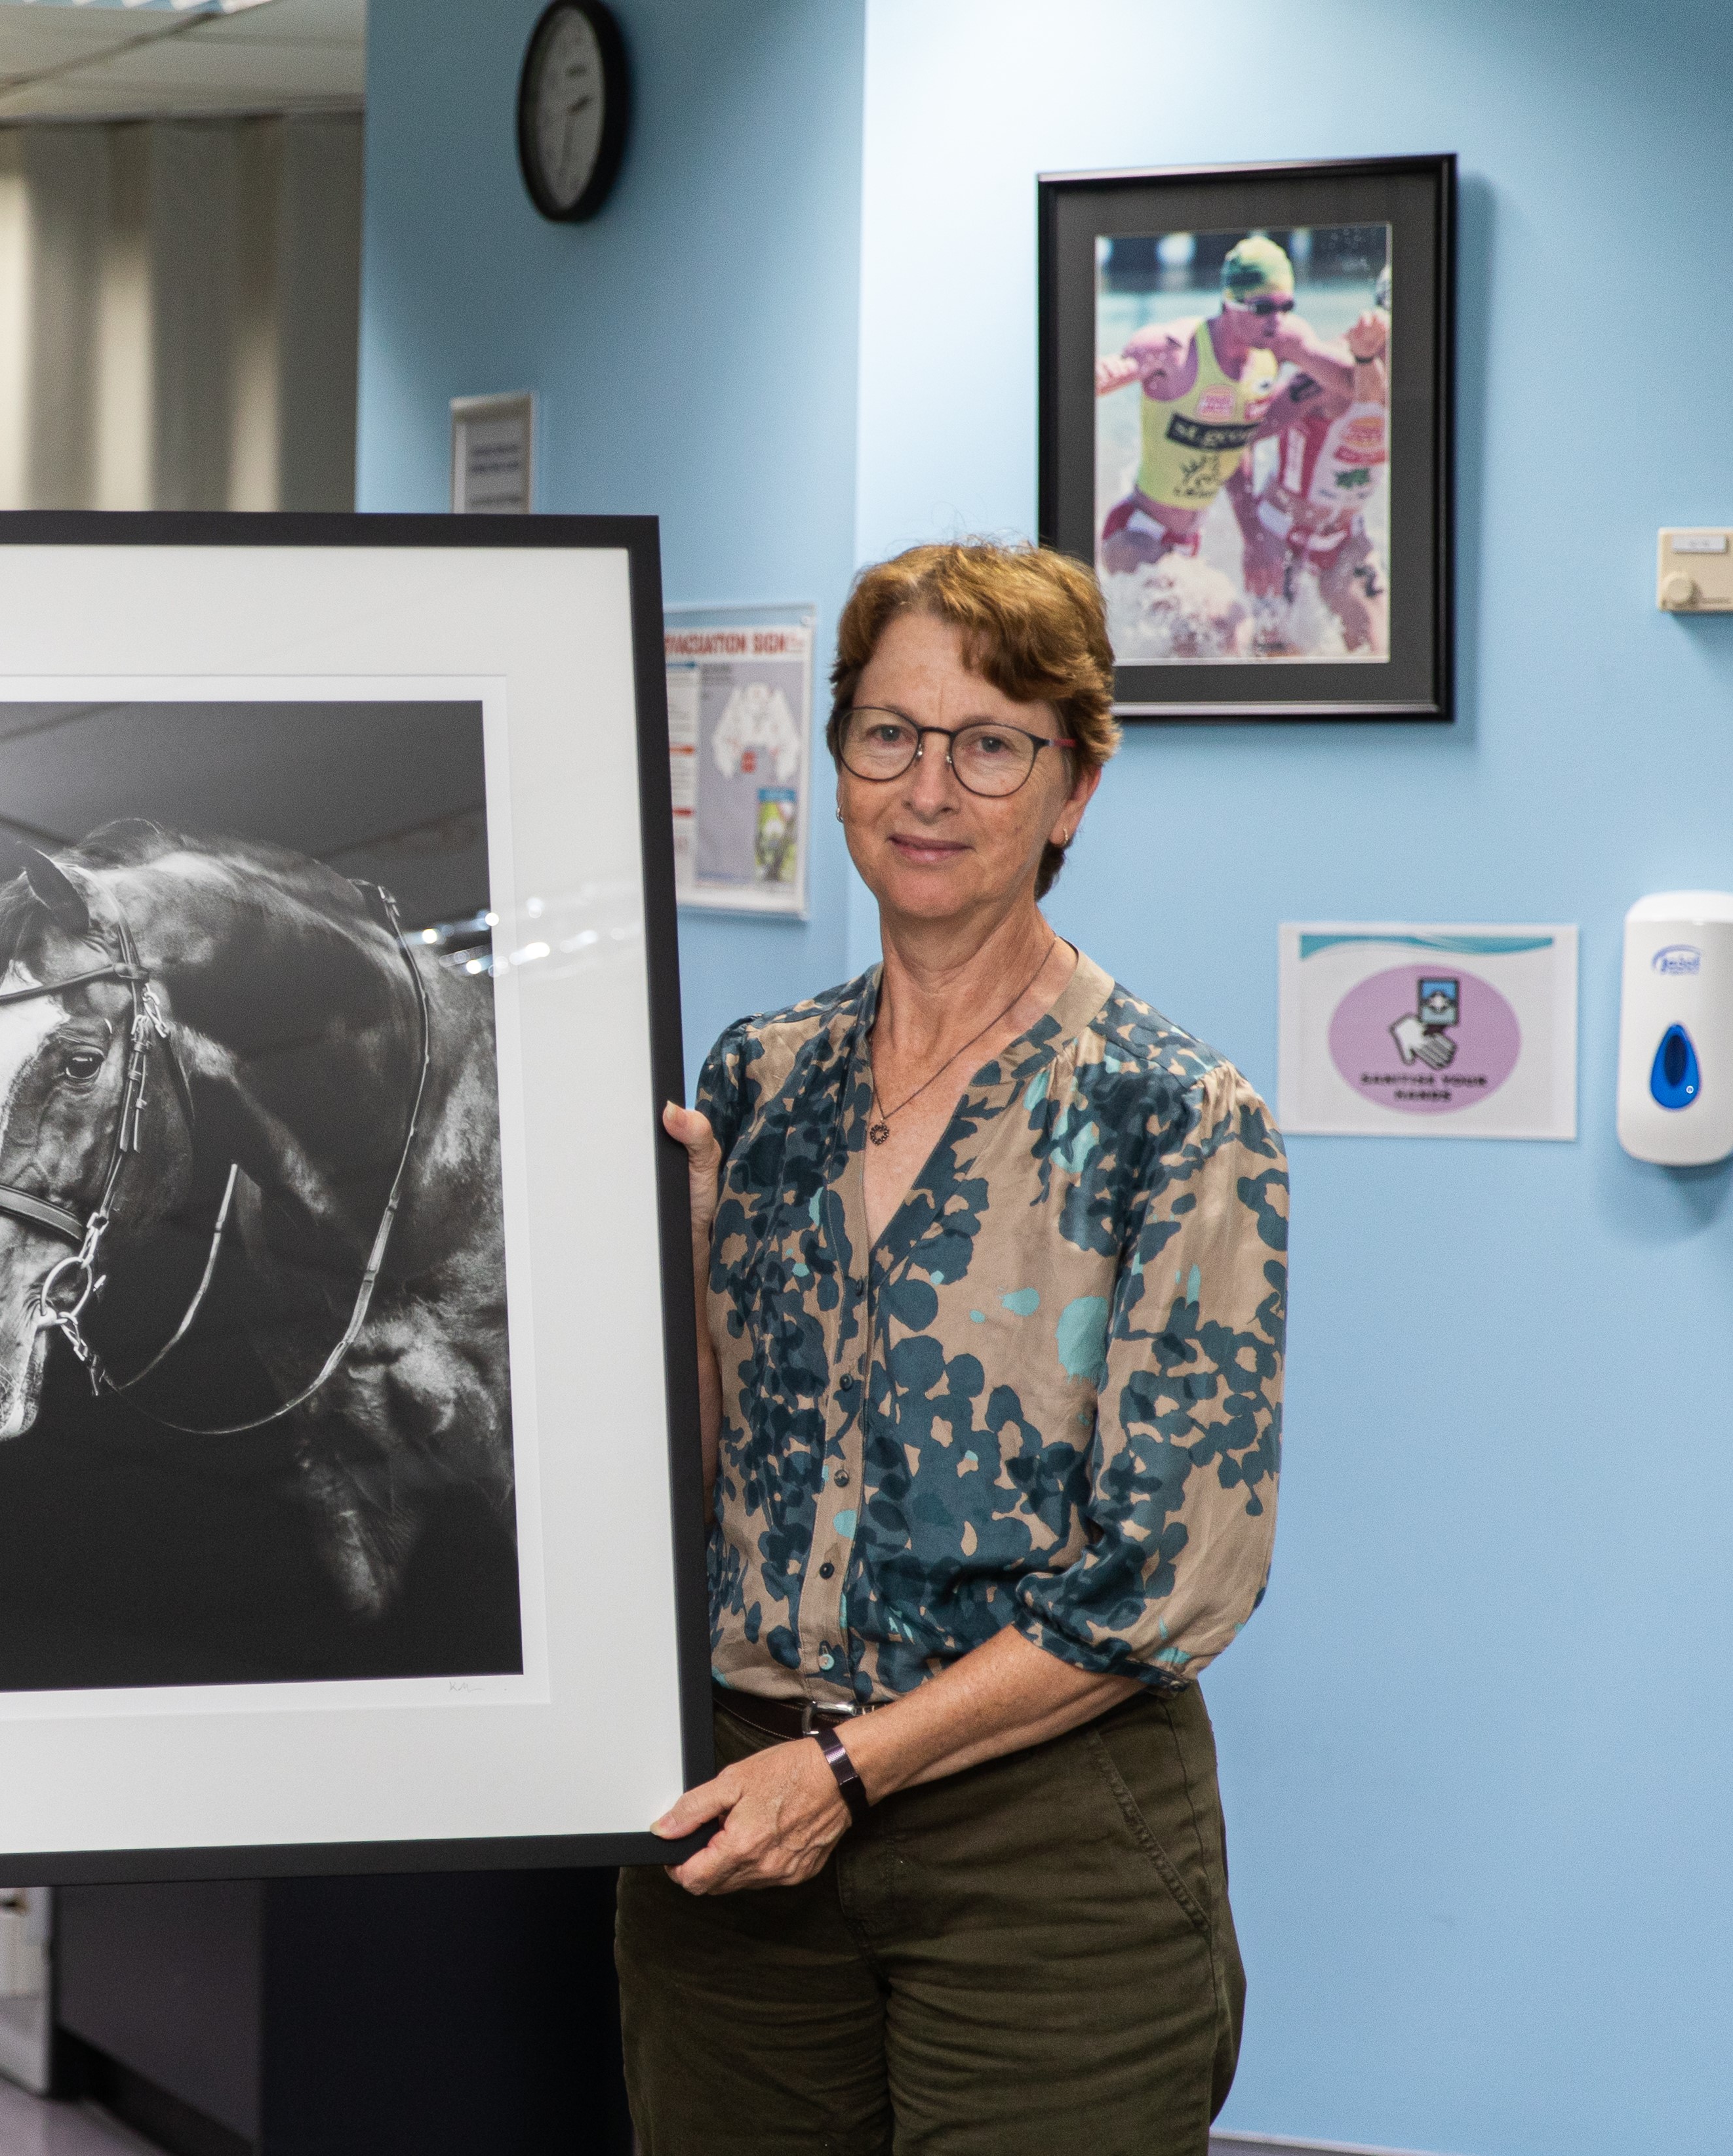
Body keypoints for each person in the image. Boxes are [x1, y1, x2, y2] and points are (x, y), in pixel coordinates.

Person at [622, 540, 1286, 2152]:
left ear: (1073, 789)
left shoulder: (1172, 1114)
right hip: (737, 1815)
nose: (929, 788)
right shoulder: (760, 1080)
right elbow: (707, 1484)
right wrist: (682, 1274)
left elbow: (1164, 1580)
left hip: (1041, 1850)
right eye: (889, 734)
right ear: (839, 757)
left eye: (991, 744)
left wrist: (847, 1771)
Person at [1096, 233, 1363, 577]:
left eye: (1286, 307)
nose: (1276, 321)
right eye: (1263, 308)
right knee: (1218, 611)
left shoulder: (1280, 343)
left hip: (1187, 541)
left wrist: (1368, 351)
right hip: (1136, 533)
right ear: (1229, 302)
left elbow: (1354, 384)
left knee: (1316, 394)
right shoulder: (1176, 350)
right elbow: (1115, 370)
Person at [1229, 276, 1393, 654]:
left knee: (1375, 653)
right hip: (1280, 535)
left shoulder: (1427, 384)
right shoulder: (1324, 375)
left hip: (1345, 538)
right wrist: (1252, 537)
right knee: (1272, 668)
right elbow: (1238, 437)